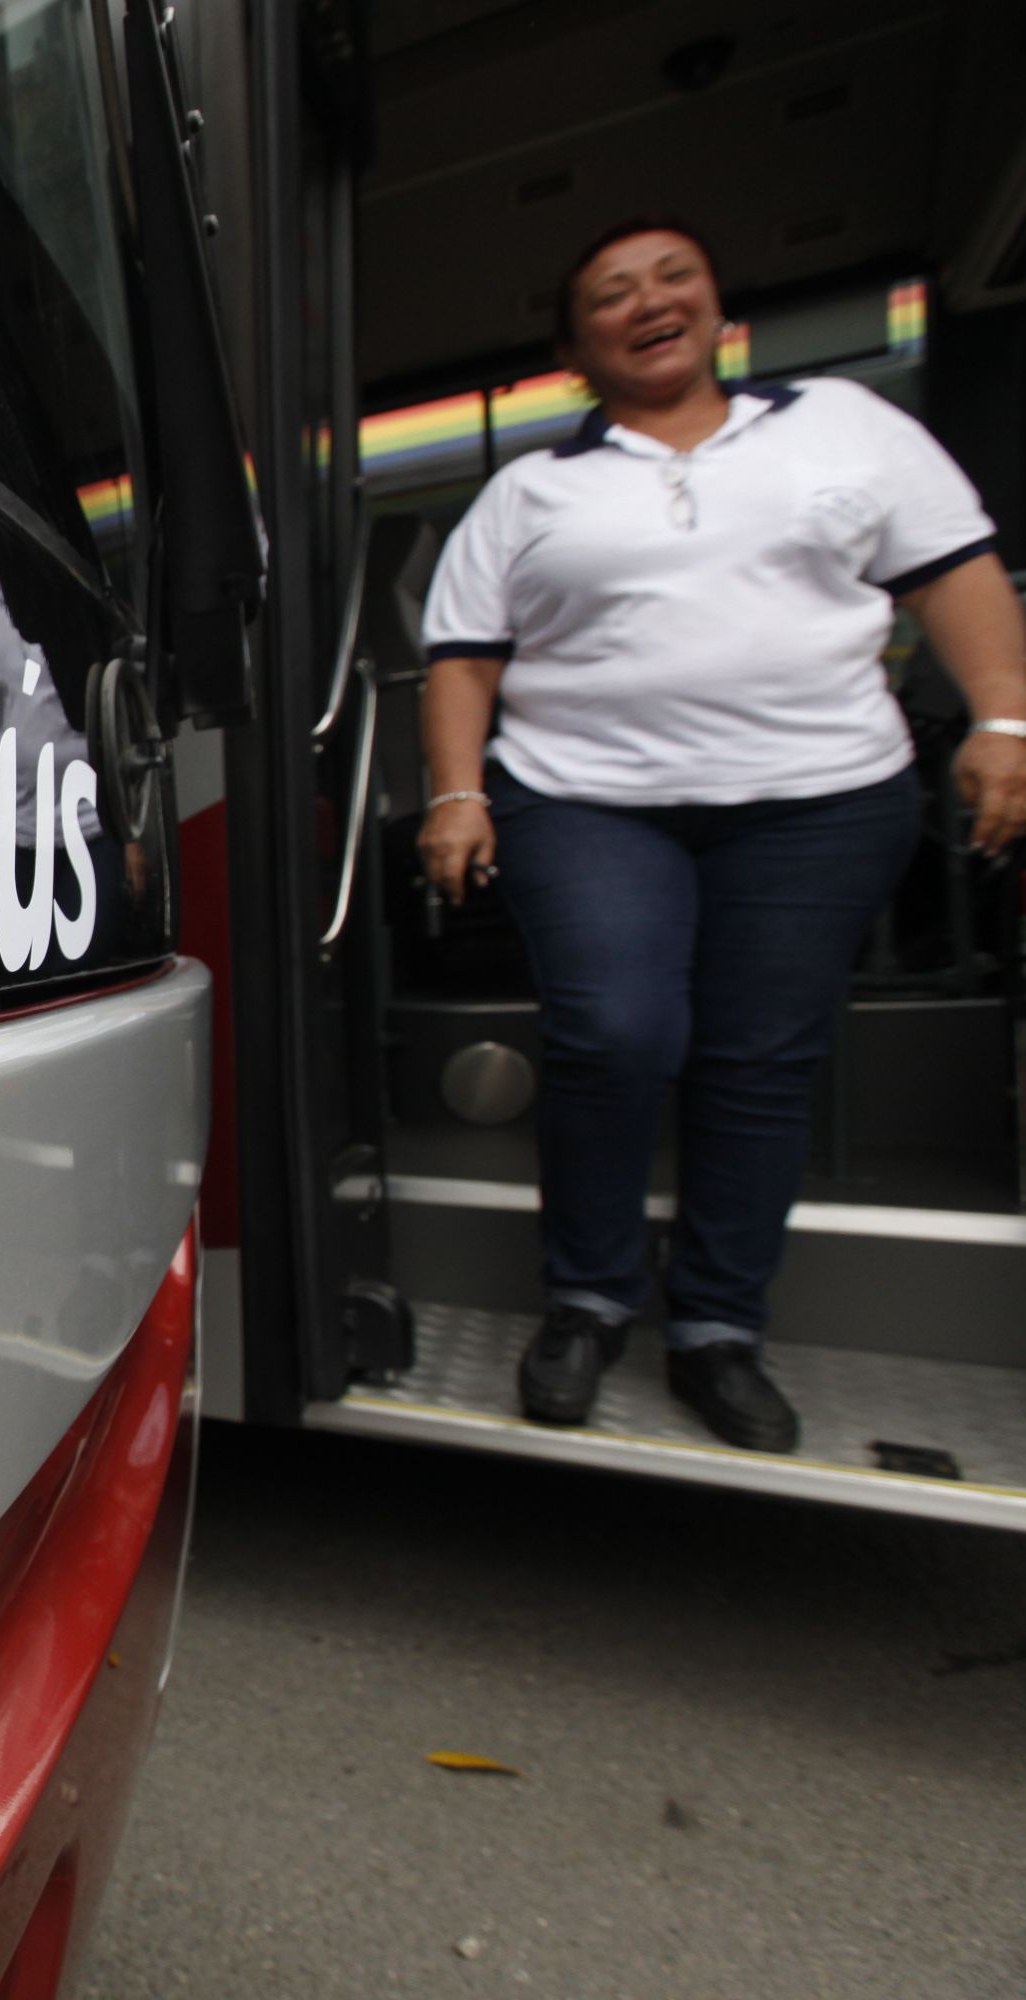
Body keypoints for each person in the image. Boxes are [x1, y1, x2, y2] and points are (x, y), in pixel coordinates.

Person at [417, 217, 1026, 1453]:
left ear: (715, 304)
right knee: (615, 1029)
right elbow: (461, 655)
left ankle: (716, 1330)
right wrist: (456, 793)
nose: (649, 301)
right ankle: (587, 1301)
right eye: (612, 293)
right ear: (575, 347)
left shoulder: (846, 425)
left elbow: (957, 569)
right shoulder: (530, 488)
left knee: (760, 1058)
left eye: (673, 277)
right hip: (585, 795)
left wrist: (1004, 719)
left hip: (820, 800)